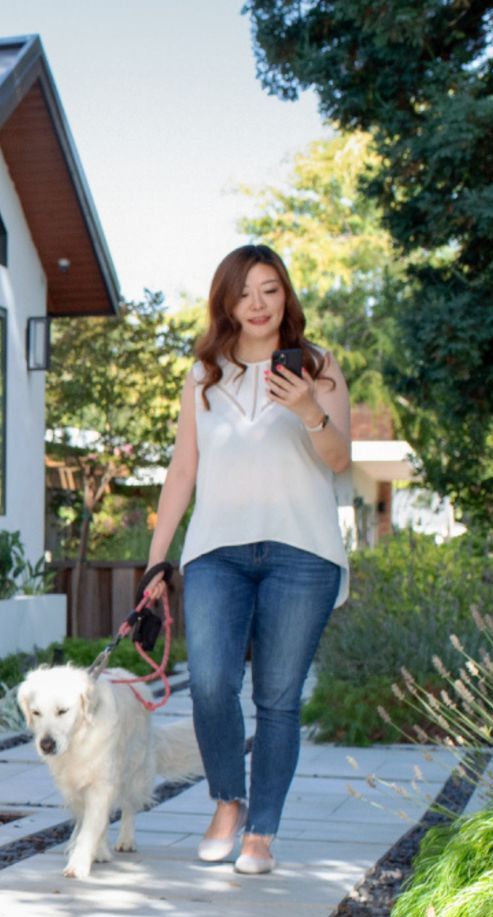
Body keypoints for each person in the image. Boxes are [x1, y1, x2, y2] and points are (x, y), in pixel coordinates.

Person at [140, 244, 351, 875]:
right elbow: (183, 470)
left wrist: (309, 409)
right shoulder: (204, 373)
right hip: (216, 554)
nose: (258, 304)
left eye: (270, 289)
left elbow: (340, 461)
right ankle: (227, 799)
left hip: (303, 553)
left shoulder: (318, 365)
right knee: (209, 684)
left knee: (279, 698)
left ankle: (261, 831)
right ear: (226, 302)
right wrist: (156, 565)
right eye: (244, 292)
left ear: (285, 295)